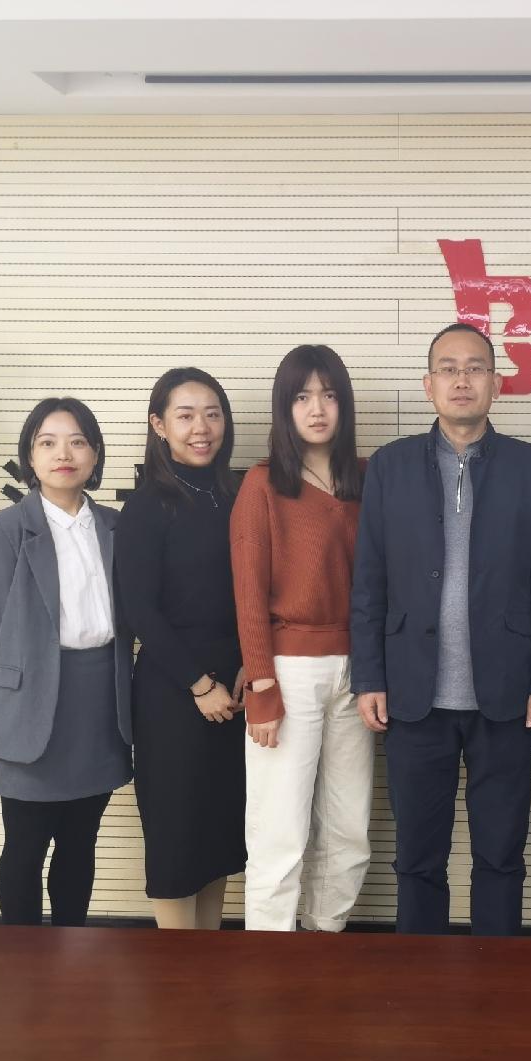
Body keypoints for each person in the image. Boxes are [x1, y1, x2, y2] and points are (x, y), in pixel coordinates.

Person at [351, 321, 531, 936]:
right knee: (418, 856)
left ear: (496, 384)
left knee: (500, 852)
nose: (462, 379)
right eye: (448, 368)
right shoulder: (390, 467)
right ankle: (420, 976)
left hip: (506, 693)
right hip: (412, 692)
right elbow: (368, 580)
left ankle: (497, 974)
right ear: (429, 385)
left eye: (475, 368)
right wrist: (368, 676)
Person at [0, 397, 132, 926]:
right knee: (25, 843)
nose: (64, 454)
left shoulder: (117, 528)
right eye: (48, 443)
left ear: (95, 454)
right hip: (31, 704)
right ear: (30, 457)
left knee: (81, 840)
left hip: (99, 703)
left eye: (77, 442)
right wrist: (10, 685)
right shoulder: (6, 529)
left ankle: (71, 949)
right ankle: (22, 957)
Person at [231, 344, 373, 932]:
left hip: (359, 673)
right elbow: (248, 592)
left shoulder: (368, 478)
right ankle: (269, 962)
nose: (317, 409)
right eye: (302, 396)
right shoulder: (263, 484)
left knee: (349, 831)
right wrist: (261, 686)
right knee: (279, 830)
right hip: (288, 671)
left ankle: (323, 940)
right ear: (283, 407)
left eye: (329, 395)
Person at [116, 367, 247, 930]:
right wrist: (199, 684)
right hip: (174, 690)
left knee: (218, 833)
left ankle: (207, 960)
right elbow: (140, 610)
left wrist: (246, 667)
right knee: (175, 834)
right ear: (159, 425)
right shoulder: (148, 504)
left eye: (213, 414)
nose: (202, 428)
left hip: (235, 686)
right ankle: (176, 967)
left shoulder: (239, 495)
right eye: (186, 415)